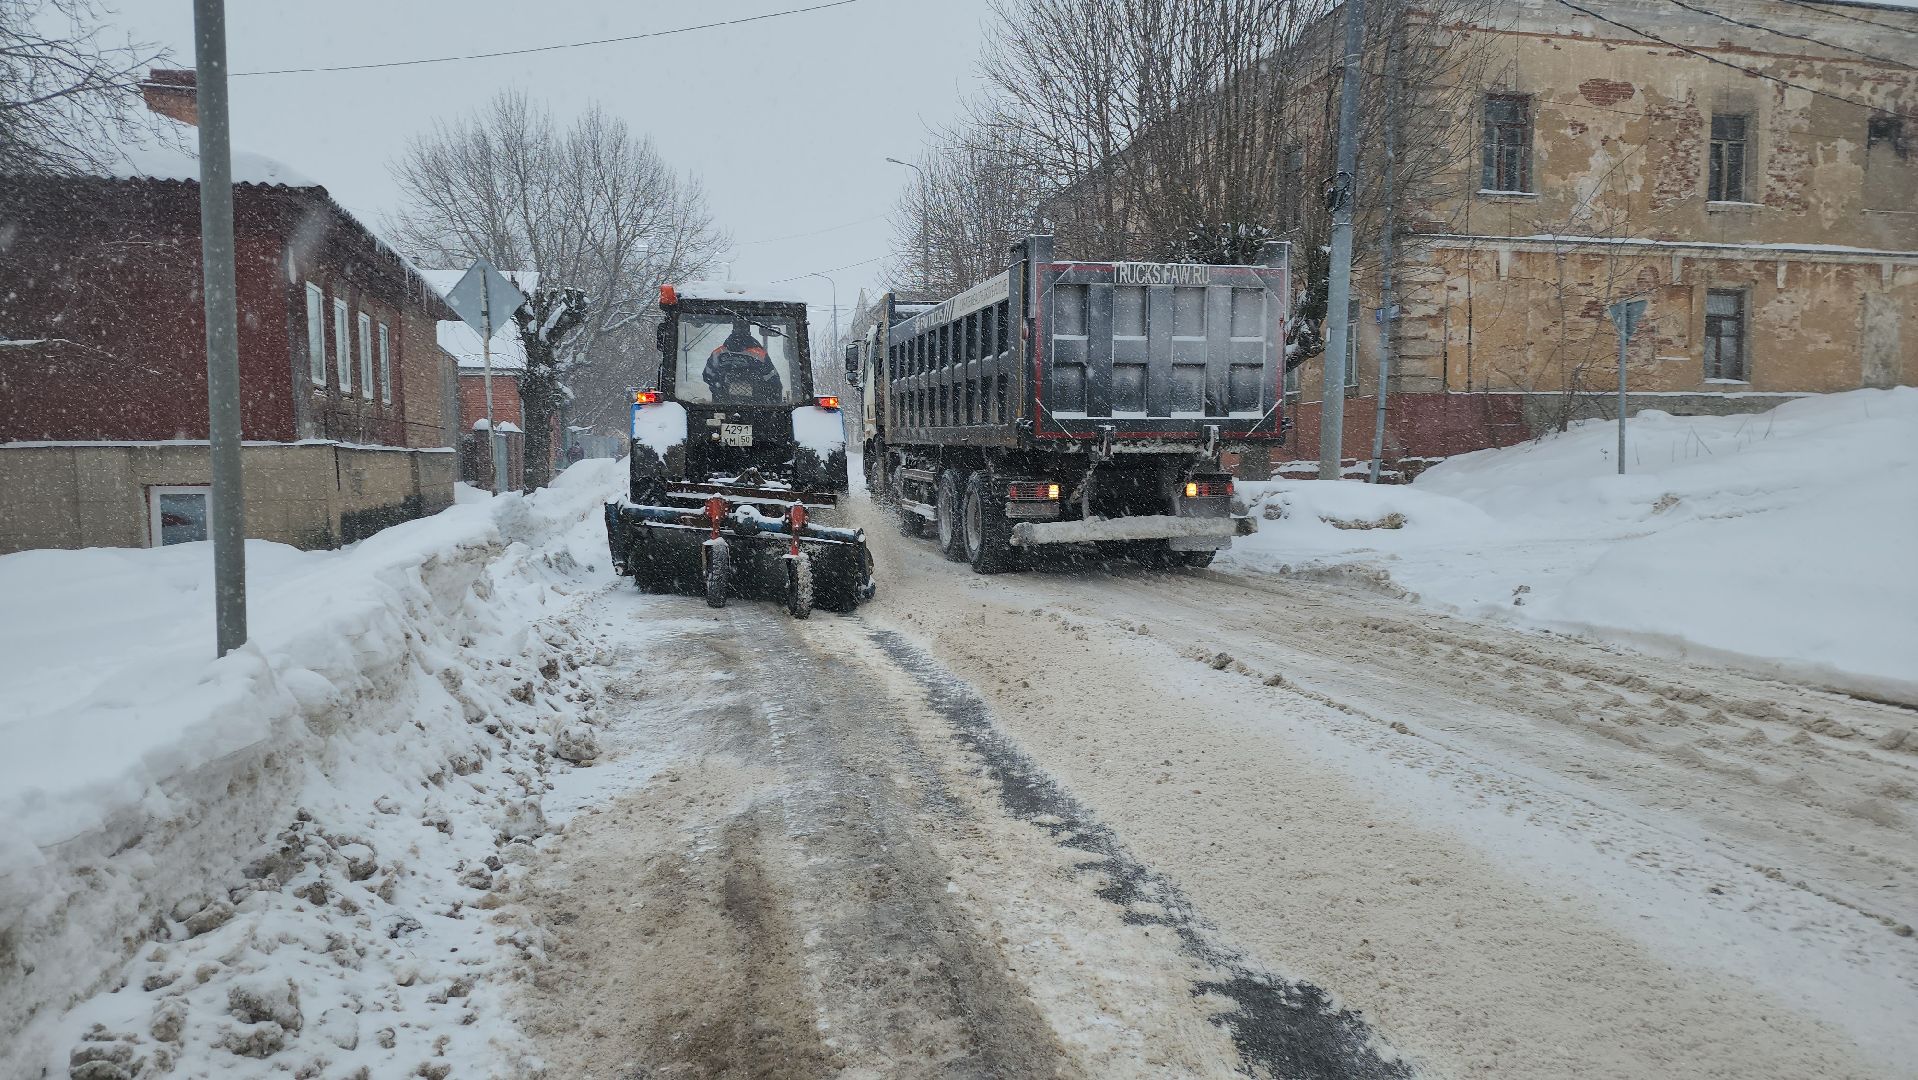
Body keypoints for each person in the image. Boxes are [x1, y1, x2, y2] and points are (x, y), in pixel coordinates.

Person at [703, 319, 784, 402]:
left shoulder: (718, 353)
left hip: (721, 409)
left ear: (733, 329)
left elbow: (708, 375)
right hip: (757, 409)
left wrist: (721, 386)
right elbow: (774, 382)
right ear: (748, 331)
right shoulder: (760, 355)